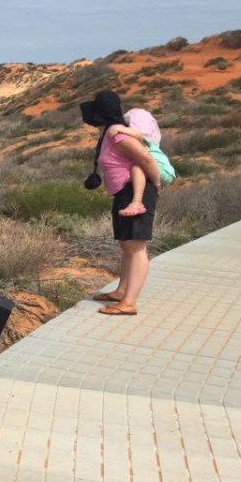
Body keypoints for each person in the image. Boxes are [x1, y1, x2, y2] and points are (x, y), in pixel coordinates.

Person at [79, 90, 161, 317]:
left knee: (136, 247)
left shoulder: (119, 135)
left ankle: (129, 302)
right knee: (127, 244)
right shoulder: (108, 133)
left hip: (136, 191)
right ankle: (122, 291)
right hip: (123, 192)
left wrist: (156, 182)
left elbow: (145, 158)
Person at [106, 108, 163, 217]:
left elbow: (138, 134)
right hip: (159, 167)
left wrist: (118, 128)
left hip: (159, 167)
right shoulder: (149, 138)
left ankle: (137, 203)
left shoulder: (142, 137)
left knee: (136, 167)